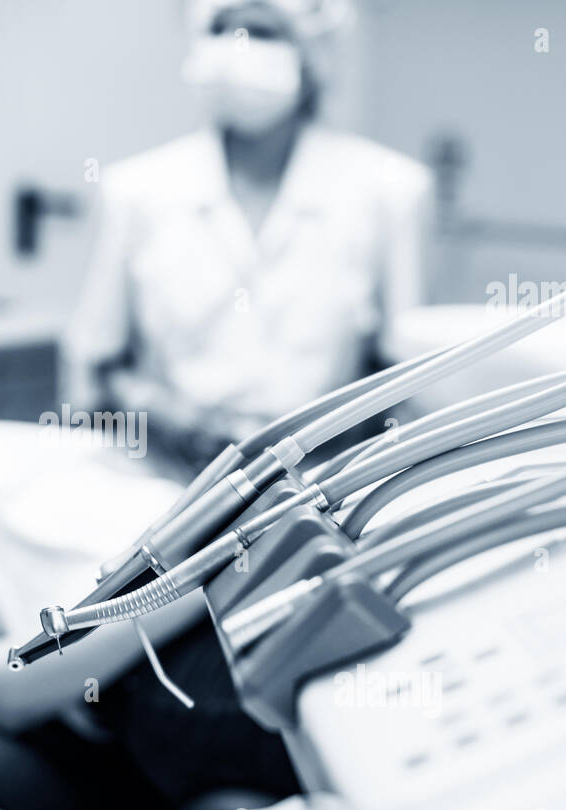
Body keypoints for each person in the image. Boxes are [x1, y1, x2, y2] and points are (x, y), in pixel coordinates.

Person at [63, 0, 433, 471]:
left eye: (260, 33)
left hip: (321, 491)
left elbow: (408, 379)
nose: (238, 51)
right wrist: (172, 417)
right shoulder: (137, 191)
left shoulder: (390, 191)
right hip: (166, 485)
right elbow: (95, 367)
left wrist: (314, 442)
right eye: (222, 30)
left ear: (312, 52)